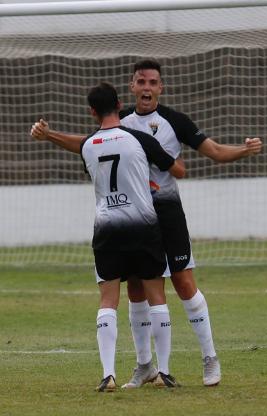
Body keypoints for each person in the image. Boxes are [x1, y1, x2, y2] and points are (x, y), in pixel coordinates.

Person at [30, 59, 262, 387]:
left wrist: (244, 151)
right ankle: (144, 365)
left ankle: (209, 356)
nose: (147, 88)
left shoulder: (174, 121)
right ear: (131, 88)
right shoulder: (118, 124)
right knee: (136, 288)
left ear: (161, 88)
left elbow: (214, 151)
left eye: (153, 82)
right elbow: (85, 143)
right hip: (133, 218)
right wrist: (50, 134)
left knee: (183, 282)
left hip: (166, 212)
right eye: (141, 82)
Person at [71, 82, 185, 391]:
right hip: (144, 226)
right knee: (156, 297)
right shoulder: (139, 138)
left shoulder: (87, 145)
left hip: (107, 228)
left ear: (92, 112)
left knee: (108, 300)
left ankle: (108, 374)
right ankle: (163, 371)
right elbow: (173, 168)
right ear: (120, 104)